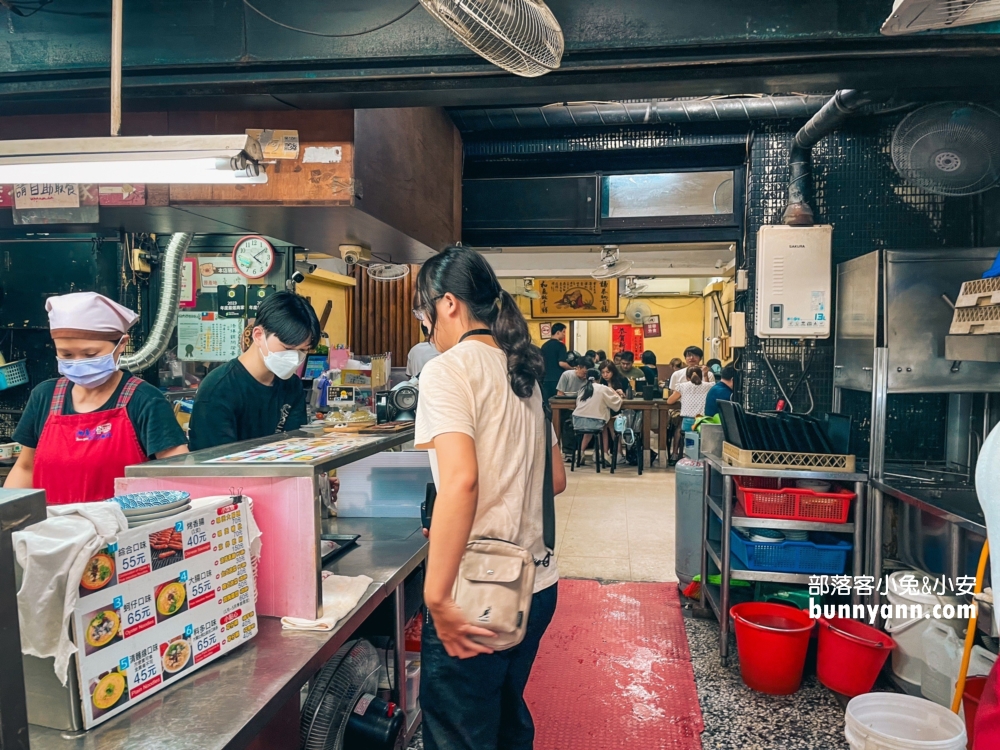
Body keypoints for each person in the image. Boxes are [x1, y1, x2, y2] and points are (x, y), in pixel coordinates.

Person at [411, 245, 567, 750]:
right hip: (537, 584)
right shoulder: (521, 372)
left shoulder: (447, 370)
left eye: (423, 312)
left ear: (449, 304)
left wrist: (436, 596)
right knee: (504, 722)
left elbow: (461, 482)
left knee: (459, 732)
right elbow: (556, 479)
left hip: (476, 590)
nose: (425, 327)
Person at [4, 292, 188, 503]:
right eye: (66, 355)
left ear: (121, 344)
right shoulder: (44, 397)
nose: (78, 362)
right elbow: (26, 468)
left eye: (90, 354)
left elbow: (176, 473)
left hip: (123, 530)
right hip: (53, 530)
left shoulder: (144, 400)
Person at [188, 291, 320, 451]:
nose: (296, 358)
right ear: (258, 335)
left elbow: (296, 447)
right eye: (288, 349)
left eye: (303, 351)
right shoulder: (218, 390)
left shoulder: (292, 386)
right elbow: (214, 463)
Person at [572, 368, 623, 464]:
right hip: (595, 422)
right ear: (599, 378)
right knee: (604, 423)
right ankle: (604, 454)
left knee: (593, 423)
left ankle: (580, 453)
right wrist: (615, 392)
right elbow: (616, 403)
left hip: (577, 421)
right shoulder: (603, 388)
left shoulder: (582, 389)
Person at [667, 367, 715, 434]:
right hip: (702, 420)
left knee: (688, 441)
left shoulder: (682, 386)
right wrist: (705, 375)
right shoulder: (709, 386)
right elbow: (708, 387)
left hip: (688, 420)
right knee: (701, 441)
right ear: (701, 376)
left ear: (687, 377)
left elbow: (670, 401)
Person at [540, 322, 571, 402]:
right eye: (563, 332)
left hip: (546, 379)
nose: (564, 334)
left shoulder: (544, 346)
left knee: (548, 404)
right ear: (558, 332)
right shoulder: (561, 346)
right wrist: (572, 369)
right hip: (558, 379)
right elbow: (562, 363)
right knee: (558, 404)